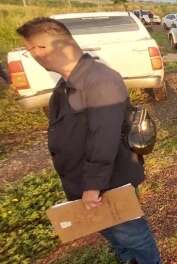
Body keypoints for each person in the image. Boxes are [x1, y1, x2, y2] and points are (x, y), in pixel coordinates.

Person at [15, 17, 161, 264]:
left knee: (131, 235)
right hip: (88, 181)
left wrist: (93, 186)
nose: (34, 56)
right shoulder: (67, 82)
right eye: (30, 50)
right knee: (116, 236)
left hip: (108, 183)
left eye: (35, 48)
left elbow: (104, 137)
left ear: (55, 47)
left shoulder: (99, 80)